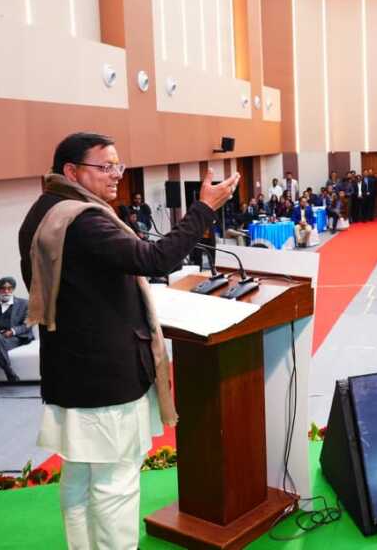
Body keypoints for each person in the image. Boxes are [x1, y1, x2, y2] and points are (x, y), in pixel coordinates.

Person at [18, 132, 237, 549]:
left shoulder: (43, 210)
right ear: (72, 171)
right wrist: (204, 209)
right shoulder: (83, 220)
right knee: (115, 481)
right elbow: (155, 259)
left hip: (70, 367)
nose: (116, 174)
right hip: (105, 375)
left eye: (118, 165)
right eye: (105, 166)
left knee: (80, 475)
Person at [0, 277, 31, 397]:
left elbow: (28, 323)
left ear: (13, 289)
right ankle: (8, 370)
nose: (6, 291)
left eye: (9, 288)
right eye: (3, 289)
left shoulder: (24, 304)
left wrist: (12, 331)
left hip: (13, 338)